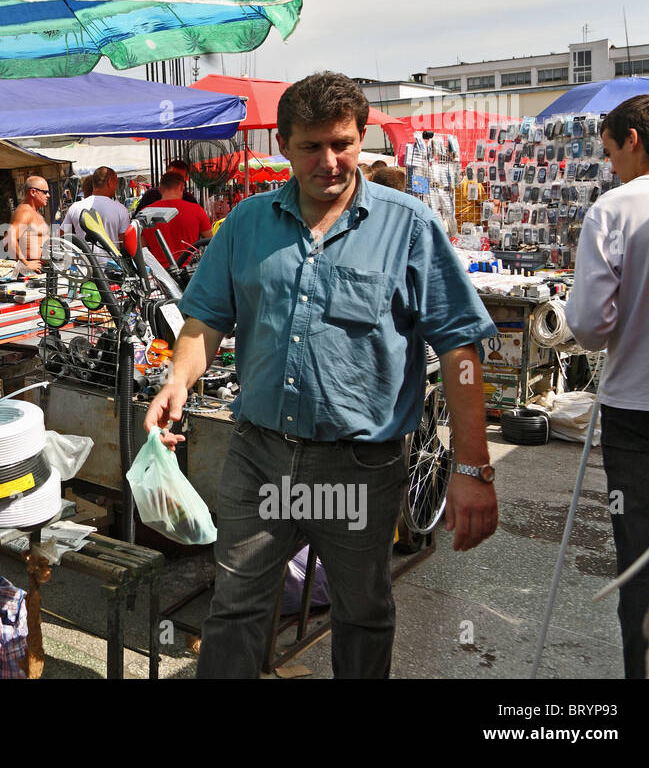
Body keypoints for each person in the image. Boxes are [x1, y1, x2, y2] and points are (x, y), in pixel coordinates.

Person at [145, 71, 499, 678]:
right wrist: (178, 378)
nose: (329, 161)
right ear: (282, 144)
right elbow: (204, 320)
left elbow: (461, 349)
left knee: (362, 613)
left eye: (342, 143)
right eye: (311, 146)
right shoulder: (247, 225)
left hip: (361, 465)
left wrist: (472, 467)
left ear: (362, 137)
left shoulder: (408, 225)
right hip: (260, 455)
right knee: (235, 609)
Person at [567, 94, 649, 679]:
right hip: (637, 408)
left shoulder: (614, 209)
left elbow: (588, 324)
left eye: (610, 153)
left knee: (644, 569)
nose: (610, 166)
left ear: (631, 140)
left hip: (637, 413)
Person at [142, 170, 213, 265]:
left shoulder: (146, 213)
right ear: (181, 187)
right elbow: (211, 240)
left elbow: (142, 248)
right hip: (189, 272)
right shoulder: (196, 210)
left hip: (160, 275)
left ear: (160, 189)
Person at [60, 165, 130, 250]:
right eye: (116, 183)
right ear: (109, 182)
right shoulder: (120, 209)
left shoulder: (75, 207)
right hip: (112, 262)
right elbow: (126, 244)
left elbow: (64, 238)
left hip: (83, 263)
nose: (115, 187)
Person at [9, 176, 50, 273]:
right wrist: (26, 263)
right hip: (31, 272)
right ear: (33, 192)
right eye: (45, 192)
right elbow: (9, 238)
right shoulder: (25, 212)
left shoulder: (35, 212)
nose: (48, 195)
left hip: (41, 269)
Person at [134, 159, 199, 215]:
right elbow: (138, 221)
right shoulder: (150, 195)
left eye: (179, 178)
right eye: (171, 175)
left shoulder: (190, 199)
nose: (174, 180)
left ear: (186, 178)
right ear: (165, 174)